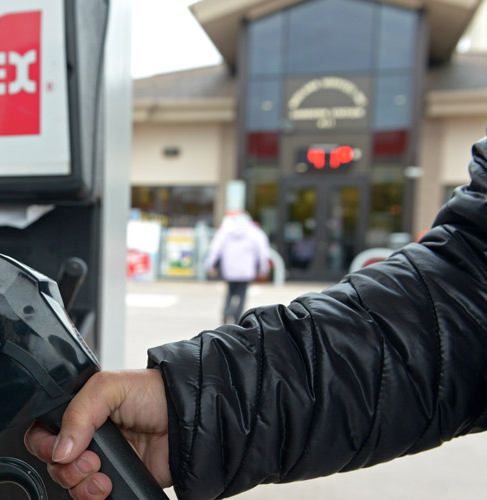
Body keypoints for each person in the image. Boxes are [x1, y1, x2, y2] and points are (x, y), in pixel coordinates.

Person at [25, 132, 487, 500]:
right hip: (245, 284)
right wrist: (191, 405)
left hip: (235, 273)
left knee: (232, 298)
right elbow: (455, 304)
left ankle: (229, 311)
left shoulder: (231, 229)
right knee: (235, 298)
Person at [203, 211, 270, 324]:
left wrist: (210, 265)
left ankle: (226, 313)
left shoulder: (225, 231)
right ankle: (237, 317)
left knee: (230, 292)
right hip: (246, 270)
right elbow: (263, 251)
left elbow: (215, 249)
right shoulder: (254, 232)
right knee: (242, 295)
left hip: (229, 269)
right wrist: (264, 268)